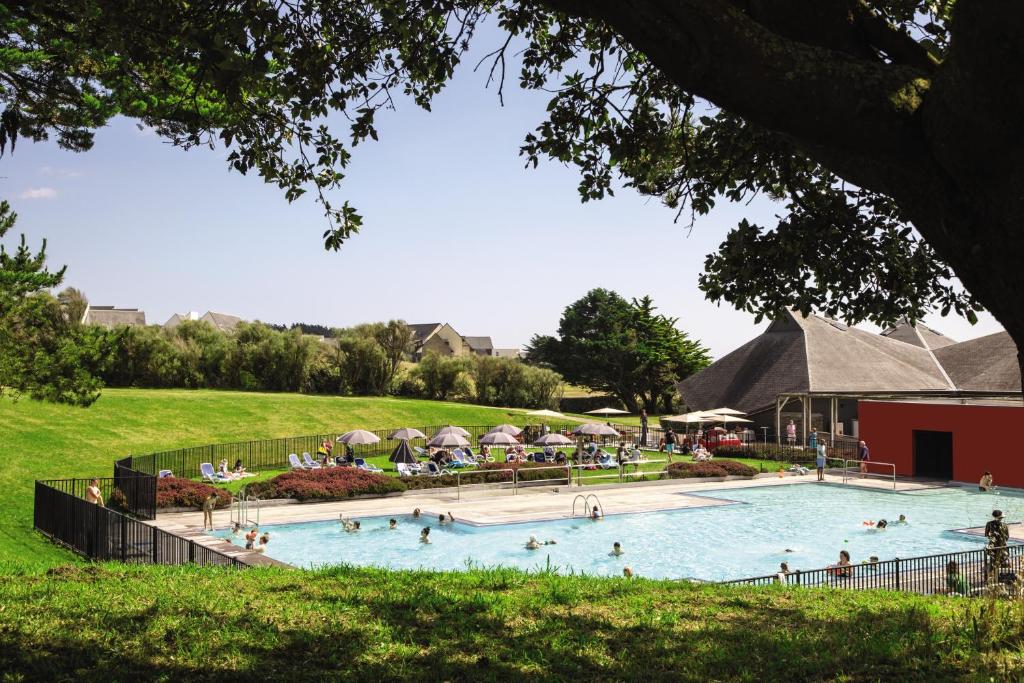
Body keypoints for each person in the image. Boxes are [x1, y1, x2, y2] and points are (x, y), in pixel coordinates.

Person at [985, 509, 1009, 579]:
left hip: (993, 546)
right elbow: (1007, 537)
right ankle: (997, 577)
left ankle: (992, 578)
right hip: (1002, 546)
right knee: (1001, 562)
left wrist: (992, 538)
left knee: (993, 562)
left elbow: (987, 534)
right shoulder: (1004, 525)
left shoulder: (989, 524)